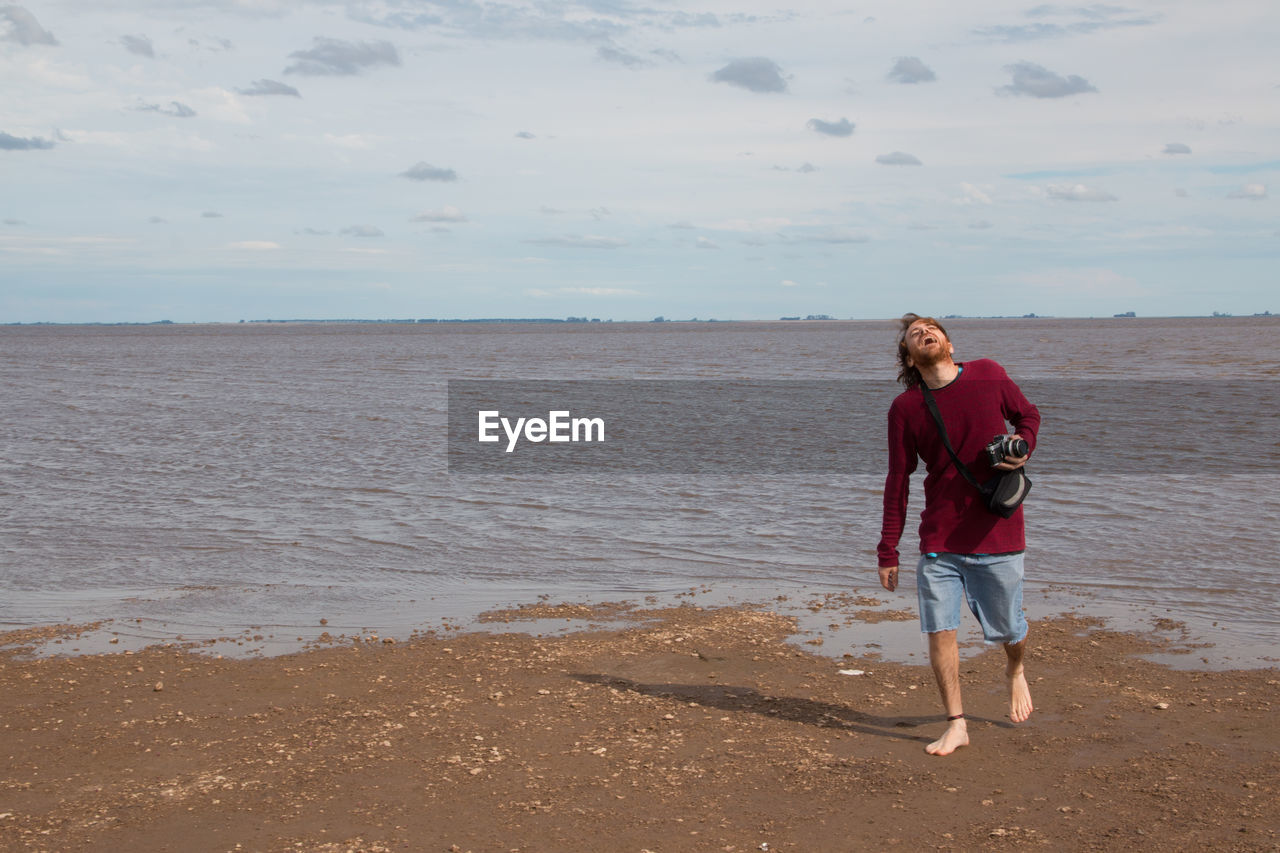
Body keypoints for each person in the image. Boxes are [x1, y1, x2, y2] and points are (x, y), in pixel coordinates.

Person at [875, 313, 1041, 756]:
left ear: (948, 342)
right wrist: (887, 549)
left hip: (998, 530)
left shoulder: (988, 373)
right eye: (914, 334)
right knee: (940, 630)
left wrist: (1022, 447)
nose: (924, 333)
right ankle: (957, 723)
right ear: (909, 356)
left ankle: (1015, 670)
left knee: (1009, 628)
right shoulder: (906, 408)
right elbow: (898, 480)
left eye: (932, 328)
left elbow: (1028, 415)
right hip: (940, 539)